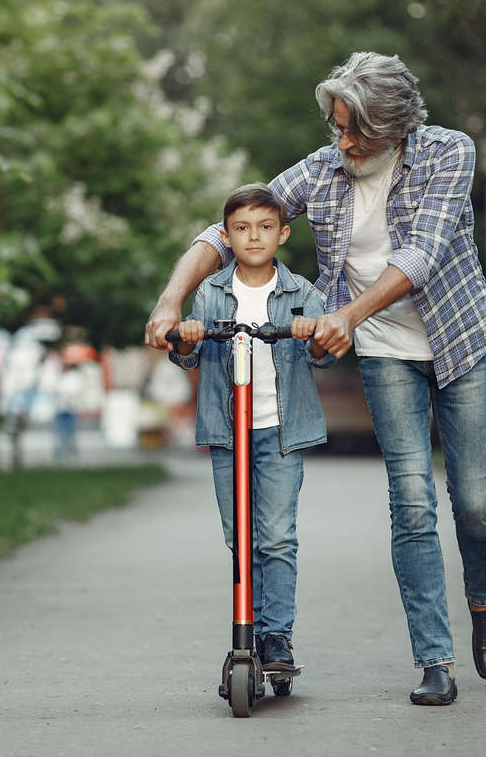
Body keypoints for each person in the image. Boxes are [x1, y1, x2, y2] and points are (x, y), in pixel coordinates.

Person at [146, 52, 486, 706]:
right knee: (412, 502)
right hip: (385, 352)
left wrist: (344, 314)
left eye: (353, 131)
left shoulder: (448, 153)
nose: (340, 143)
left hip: (461, 342)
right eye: (336, 127)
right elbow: (231, 226)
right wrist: (174, 297)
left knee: (476, 505)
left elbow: (420, 253)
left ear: (393, 126)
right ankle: (436, 661)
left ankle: (484, 598)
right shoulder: (326, 167)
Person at [169, 183, 335, 672]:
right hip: (228, 433)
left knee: (277, 536)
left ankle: (276, 637)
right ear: (226, 236)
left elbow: (322, 358)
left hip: (282, 432)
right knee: (239, 536)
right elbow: (187, 357)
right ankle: (248, 632)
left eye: (265, 228)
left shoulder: (303, 293)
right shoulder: (212, 291)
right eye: (241, 229)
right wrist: (187, 336)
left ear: (282, 233)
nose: (254, 237)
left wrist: (315, 335)